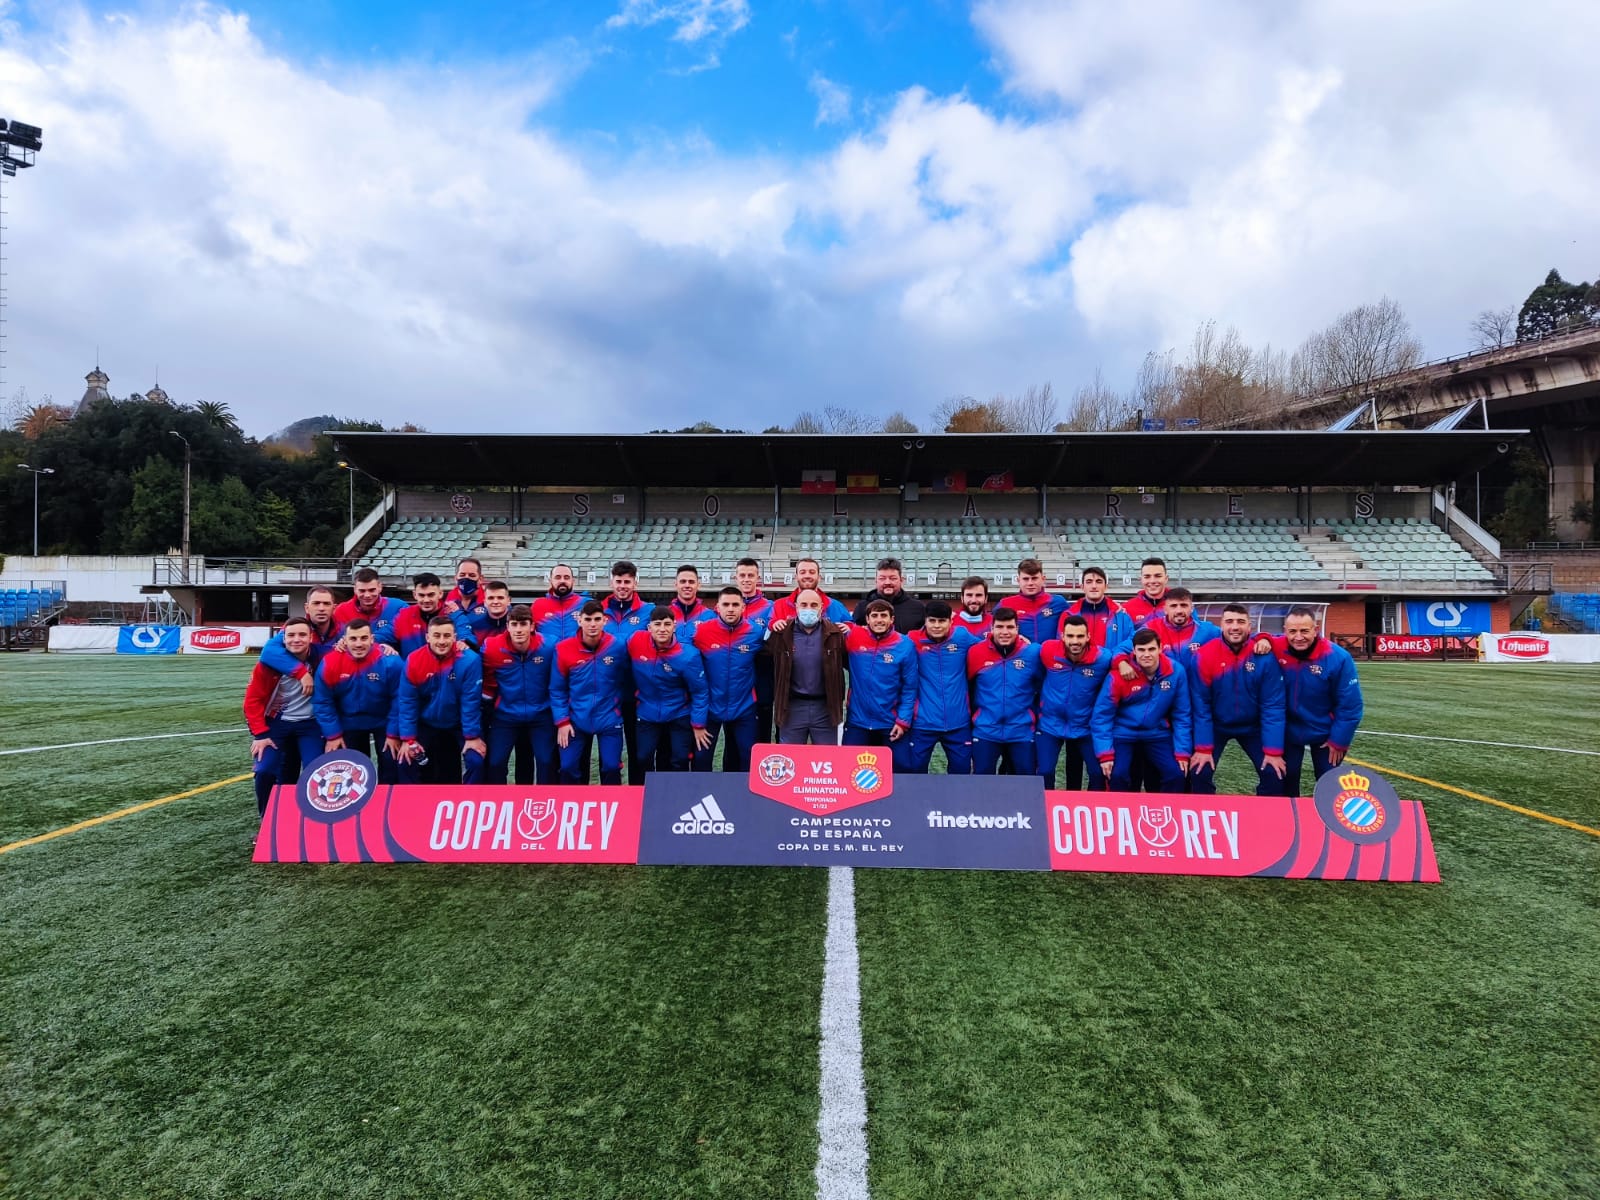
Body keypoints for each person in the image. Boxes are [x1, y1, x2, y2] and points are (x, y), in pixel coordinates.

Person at [1187, 603, 1287, 796]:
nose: (1235, 627)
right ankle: (1208, 812)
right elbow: (1201, 705)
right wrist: (1203, 748)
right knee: (1199, 771)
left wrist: (1273, 752)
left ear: (1250, 626)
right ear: (1221, 625)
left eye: (1241, 622)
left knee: (1274, 773)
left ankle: (1265, 813)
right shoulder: (1204, 655)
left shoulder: (1264, 657)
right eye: (1229, 621)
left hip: (1253, 726)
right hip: (1217, 725)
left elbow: (1272, 705)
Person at [1269, 606, 1364, 796]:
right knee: (1285, 779)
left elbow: (1350, 706)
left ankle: (1326, 815)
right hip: (1288, 730)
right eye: (1292, 631)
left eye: (1304, 631)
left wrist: (1339, 740)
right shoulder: (1277, 648)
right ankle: (1289, 814)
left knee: (1329, 782)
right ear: (1285, 631)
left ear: (1316, 629)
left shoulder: (1338, 658)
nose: (1298, 637)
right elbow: (1255, 640)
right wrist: (1262, 639)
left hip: (1326, 732)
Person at [1091, 627, 1191, 793]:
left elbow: (1182, 715)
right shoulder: (1117, 676)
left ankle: (1165, 808)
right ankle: (1121, 809)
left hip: (1157, 733)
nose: (1146, 654)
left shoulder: (1175, 672)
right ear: (1134, 651)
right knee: (1117, 774)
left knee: (1176, 774)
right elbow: (1102, 716)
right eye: (1141, 650)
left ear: (1160, 648)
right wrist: (1105, 754)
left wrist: (1182, 752)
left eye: (1151, 649)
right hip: (1123, 733)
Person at [244, 617, 326, 817]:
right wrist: (260, 735)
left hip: (311, 725)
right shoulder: (267, 665)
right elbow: (252, 701)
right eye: (291, 635)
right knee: (264, 770)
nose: (296, 639)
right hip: (276, 724)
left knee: (317, 771)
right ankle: (268, 821)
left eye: (302, 635)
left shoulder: (322, 658)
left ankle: (315, 820)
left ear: (311, 637)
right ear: (283, 638)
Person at [395, 615, 486, 784]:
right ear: (428, 637)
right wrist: (408, 739)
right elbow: (408, 702)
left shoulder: (469, 660)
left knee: (476, 760)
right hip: (426, 723)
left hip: (458, 723)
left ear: (455, 637)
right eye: (437, 636)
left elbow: (470, 702)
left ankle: (471, 799)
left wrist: (471, 736)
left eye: (447, 636)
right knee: (405, 760)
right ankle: (409, 800)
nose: (442, 641)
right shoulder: (414, 660)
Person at [311, 617, 403, 783]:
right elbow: (323, 701)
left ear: (372, 639)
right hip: (349, 722)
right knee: (350, 772)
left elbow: (399, 699)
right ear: (344, 640)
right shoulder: (331, 663)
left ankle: (389, 798)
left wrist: (393, 732)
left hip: (383, 721)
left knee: (392, 763)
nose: (359, 644)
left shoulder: (390, 662)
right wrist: (333, 734)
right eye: (353, 639)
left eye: (364, 638)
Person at [551, 600, 631, 785]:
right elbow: (557, 689)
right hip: (576, 719)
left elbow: (628, 677)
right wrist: (562, 721)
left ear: (604, 621)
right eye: (588, 619)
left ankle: (612, 802)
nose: (592, 624)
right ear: (579, 621)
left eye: (597, 619)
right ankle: (572, 802)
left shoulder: (618, 646)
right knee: (568, 767)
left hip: (609, 717)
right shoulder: (563, 649)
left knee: (611, 767)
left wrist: (619, 706)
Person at [480, 604, 558, 785]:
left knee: (547, 762)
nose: (519, 629)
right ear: (507, 626)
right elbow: (480, 674)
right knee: (495, 763)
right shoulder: (492, 647)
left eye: (523, 624)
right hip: (505, 715)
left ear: (532, 626)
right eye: (514, 624)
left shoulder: (549, 646)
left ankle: (547, 799)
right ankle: (498, 800)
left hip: (541, 714)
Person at [1035, 614, 1114, 790]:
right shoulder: (1048, 650)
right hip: (1050, 724)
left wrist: (1123, 662)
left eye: (1080, 636)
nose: (1075, 641)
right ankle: (1047, 804)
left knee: (1097, 773)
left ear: (1088, 637)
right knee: (1044, 772)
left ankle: (1091, 805)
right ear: (1062, 636)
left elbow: (1120, 659)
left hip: (1084, 725)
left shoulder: (1102, 659)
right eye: (1070, 636)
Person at [629, 606, 711, 773]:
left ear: (674, 626)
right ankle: (647, 789)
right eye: (657, 624)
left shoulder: (688, 655)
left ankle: (678, 790)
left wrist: (698, 724)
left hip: (678, 713)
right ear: (649, 627)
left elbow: (700, 691)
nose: (662, 629)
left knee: (680, 759)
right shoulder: (635, 641)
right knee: (643, 757)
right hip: (647, 712)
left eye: (667, 624)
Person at [691, 587, 765, 772]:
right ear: (717, 607)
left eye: (735, 604)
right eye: (726, 604)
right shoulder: (702, 632)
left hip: (744, 707)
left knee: (747, 757)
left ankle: (743, 792)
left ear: (743, 607)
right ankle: (702, 790)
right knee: (701, 758)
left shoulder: (756, 632)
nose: (730, 609)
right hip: (710, 707)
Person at [966, 606, 1043, 775]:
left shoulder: (1032, 653)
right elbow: (969, 689)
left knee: (1024, 782)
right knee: (982, 782)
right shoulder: (975, 652)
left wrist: (1032, 715)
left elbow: (1042, 687)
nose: (1005, 632)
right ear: (991, 628)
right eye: (1000, 627)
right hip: (986, 730)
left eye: (1010, 627)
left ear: (1017, 629)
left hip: (1021, 731)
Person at [767, 588, 848, 745]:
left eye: (813, 605)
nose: (808, 609)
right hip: (791, 708)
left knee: (825, 757)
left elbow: (851, 663)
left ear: (821, 608)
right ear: (796, 607)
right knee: (791, 757)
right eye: (803, 605)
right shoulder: (781, 633)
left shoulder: (835, 634)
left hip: (825, 708)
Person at [842, 599, 918, 767]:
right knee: (849, 770)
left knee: (900, 771)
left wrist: (903, 721)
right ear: (867, 619)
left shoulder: (905, 645)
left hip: (890, 722)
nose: (879, 620)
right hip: (858, 721)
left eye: (883, 616)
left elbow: (910, 687)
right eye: (874, 616)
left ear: (892, 619)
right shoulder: (854, 636)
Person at [905, 600, 978, 774]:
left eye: (942, 621)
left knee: (961, 773)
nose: (937, 626)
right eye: (932, 621)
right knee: (914, 773)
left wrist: (1020, 641)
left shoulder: (962, 637)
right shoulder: (912, 639)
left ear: (951, 621)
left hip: (958, 722)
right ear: (925, 621)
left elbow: (987, 648)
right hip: (923, 723)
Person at [602, 560, 651, 783]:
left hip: (636, 691)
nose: (623, 586)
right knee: (608, 753)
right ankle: (609, 795)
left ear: (635, 583)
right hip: (605, 692)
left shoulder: (648, 611)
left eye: (627, 581)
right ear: (611, 582)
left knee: (637, 750)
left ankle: (637, 793)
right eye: (619, 581)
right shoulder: (598, 611)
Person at [733, 557, 777, 744]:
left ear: (758, 578)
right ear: (736, 578)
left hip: (762, 677)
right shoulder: (727, 606)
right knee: (733, 737)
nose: (746, 579)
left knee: (762, 733)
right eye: (742, 575)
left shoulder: (770, 608)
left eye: (750, 575)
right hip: (734, 679)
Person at [392, 573, 466, 657]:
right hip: (412, 665)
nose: (426, 600)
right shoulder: (403, 615)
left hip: (446, 665)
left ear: (440, 594)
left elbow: (465, 633)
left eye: (431, 595)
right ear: (415, 595)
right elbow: (385, 635)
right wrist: (385, 644)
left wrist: (463, 642)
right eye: (421, 595)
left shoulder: (453, 614)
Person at [1000, 558, 1071, 644]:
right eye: (1026, 579)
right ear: (1018, 580)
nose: (1030, 583)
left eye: (1034, 578)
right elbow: (994, 632)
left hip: (1050, 652)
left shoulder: (1058, 603)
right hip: (1021, 652)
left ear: (1043, 579)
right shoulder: (1005, 604)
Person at [1061, 567, 1133, 649]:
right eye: (1089, 582)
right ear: (1082, 587)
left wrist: (1114, 656)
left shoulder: (1120, 615)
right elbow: (1061, 646)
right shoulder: (1068, 615)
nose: (1094, 586)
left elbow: (1130, 643)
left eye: (1099, 582)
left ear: (1106, 586)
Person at [851, 557, 926, 633]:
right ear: (876, 580)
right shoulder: (862, 607)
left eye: (893, 578)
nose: (887, 582)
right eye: (882, 578)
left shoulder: (918, 608)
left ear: (901, 580)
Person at [333, 568, 405, 644]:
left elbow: (399, 630)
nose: (367, 595)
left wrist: (374, 639)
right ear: (355, 590)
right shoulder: (341, 611)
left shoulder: (398, 607)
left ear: (380, 587)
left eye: (372, 590)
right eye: (362, 591)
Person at [772, 558, 852, 624]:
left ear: (819, 577)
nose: (807, 576)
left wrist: (849, 627)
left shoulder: (836, 606)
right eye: (802, 572)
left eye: (812, 572)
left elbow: (850, 626)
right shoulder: (778, 606)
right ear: (796, 577)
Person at [531, 564, 586, 643]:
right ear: (550, 581)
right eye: (558, 577)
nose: (562, 581)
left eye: (566, 577)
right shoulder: (538, 605)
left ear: (573, 581)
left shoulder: (585, 604)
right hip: (548, 651)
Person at [442, 558, 493, 642]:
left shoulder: (491, 601)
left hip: (486, 649)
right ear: (456, 578)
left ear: (480, 579)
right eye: (462, 575)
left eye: (472, 575)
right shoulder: (444, 602)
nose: (466, 578)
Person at [1122, 557, 1171, 628]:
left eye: (1158, 576)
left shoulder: (1179, 606)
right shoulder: (1127, 609)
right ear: (1141, 579)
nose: (1152, 581)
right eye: (1147, 577)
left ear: (1166, 579)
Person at [670, 564, 714, 641]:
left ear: (698, 585)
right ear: (676, 585)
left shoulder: (710, 616)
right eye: (683, 581)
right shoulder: (666, 615)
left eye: (691, 582)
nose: (687, 585)